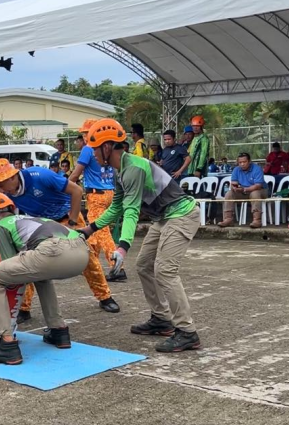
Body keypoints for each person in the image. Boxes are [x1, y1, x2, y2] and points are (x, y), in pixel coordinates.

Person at [79, 118, 202, 353]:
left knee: (165, 270)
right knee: (145, 265)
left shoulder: (133, 168)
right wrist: (89, 229)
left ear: (106, 147)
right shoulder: (120, 171)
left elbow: (132, 210)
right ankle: (162, 319)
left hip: (182, 214)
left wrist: (122, 247)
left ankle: (187, 332)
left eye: (94, 148)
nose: (92, 154)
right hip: (163, 217)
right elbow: (116, 208)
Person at [0, 158, 119, 318]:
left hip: (67, 217)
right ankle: (23, 308)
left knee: (87, 258)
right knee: (24, 262)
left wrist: (72, 223)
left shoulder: (40, 176)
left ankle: (104, 296)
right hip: (40, 227)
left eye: (0, 184)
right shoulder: (7, 196)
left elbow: (76, 191)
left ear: (12, 177)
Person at [0, 193, 90, 364]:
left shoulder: (0, 225)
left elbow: (8, 267)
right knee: (41, 275)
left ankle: (6, 345)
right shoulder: (28, 218)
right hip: (81, 251)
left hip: (52, 252)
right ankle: (59, 331)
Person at [68, 126, 125, 287]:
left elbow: (76, 173)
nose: (85, 136)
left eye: (85, 133)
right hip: (110, 192)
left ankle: (117, 266)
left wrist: (65, 187)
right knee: (93, 234)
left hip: (96, 194)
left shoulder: (89, 149)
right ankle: (87, 264)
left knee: (101, 230)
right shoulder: (108, 148)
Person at [218, 152, 269, 229]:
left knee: (255, 194)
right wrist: (235, 188)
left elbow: (258, 185)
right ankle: (228, 219)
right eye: (240, 162)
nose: (242, 164)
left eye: (244, 162)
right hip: (243, 191)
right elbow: (234, 183)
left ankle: (257, 220)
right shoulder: (236, 170)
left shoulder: (257, 169)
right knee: (229, 193)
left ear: (249, 161)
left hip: (260, 190)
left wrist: (244, 189)